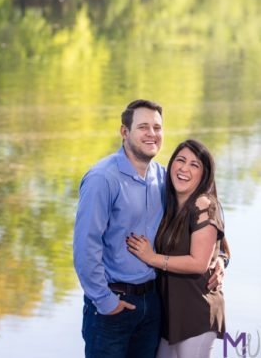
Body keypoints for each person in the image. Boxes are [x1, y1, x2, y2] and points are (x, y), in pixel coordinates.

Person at [73, 99, 225, 358]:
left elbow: (208, 217)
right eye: (143, 127)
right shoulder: (102, 179)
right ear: (124, 132)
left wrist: (221, 258)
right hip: (113, 304)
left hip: (153, 305)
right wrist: (105, 301)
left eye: (157, 127)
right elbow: (85, 248)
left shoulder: (163, 178)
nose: (151, 134)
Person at [127, 139, 228, 358]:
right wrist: (221, 259)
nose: (184, 168)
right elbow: (222, 248)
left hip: (195, 312)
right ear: (171, 164)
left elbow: (200, 262)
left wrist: (151, 258)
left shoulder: (204, 204)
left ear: (205, 174)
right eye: (180, 160)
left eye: (194, 165)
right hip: (168, 313)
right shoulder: (167, 201)